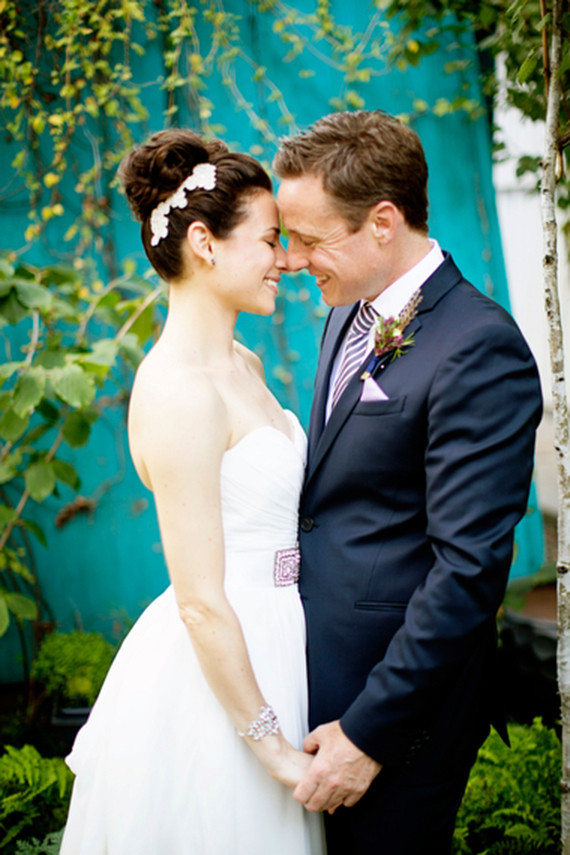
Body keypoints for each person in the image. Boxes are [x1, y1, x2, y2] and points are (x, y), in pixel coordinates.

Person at [273, 110, 542, 855]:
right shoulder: (346, 313)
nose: (292, 259)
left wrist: (369, 733)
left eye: (310, 237)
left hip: (397, 715)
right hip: (316, 685)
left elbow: (467, 572)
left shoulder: (479, 347)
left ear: (383, 222)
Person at [60, 129, 325, 855]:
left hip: (282, 638)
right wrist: (270, 747)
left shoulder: (239, 361)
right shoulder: (177, 390)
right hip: (224, 676)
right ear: (205, 242)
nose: (286, 260)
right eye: (271, 240)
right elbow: (201, 598)